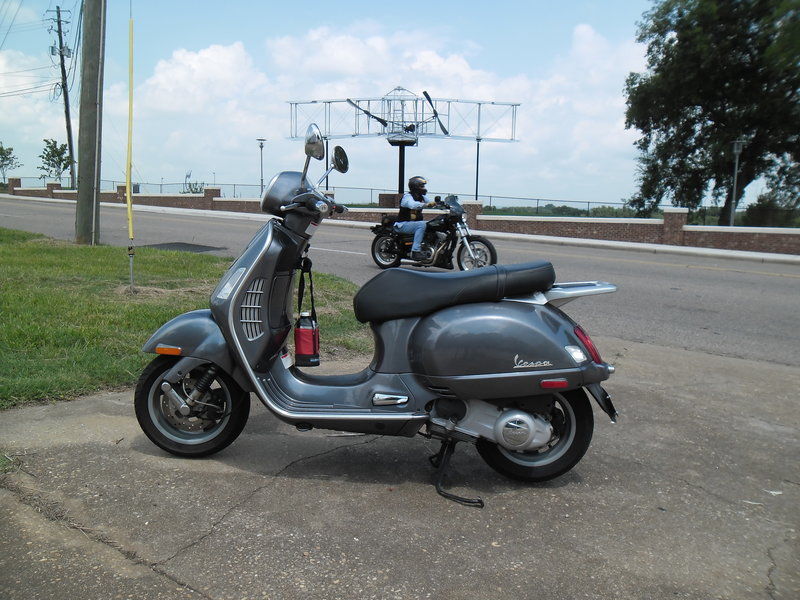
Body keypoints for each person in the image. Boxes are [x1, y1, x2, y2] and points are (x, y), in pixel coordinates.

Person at [394, 175, 437, 261]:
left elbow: (431, 203)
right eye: (422, 186)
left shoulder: (421, 197)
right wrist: (426, 205)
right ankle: (415, 251)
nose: (424, 188)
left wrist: (441, 204)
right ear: (415, 186)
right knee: (422, 224)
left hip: (411, 225)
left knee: (432, 224)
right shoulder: (407, 197)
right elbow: (412, 205)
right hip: (402, 224)